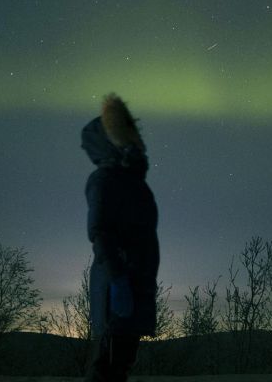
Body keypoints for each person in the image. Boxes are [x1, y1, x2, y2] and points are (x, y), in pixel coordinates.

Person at [81, 93, 160, 382]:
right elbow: (100, 232)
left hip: (137, 282)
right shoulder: (105, 179)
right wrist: (117, 280)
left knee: (121, 365)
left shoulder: (135, 183)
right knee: (107, 365)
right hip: (118, 285)